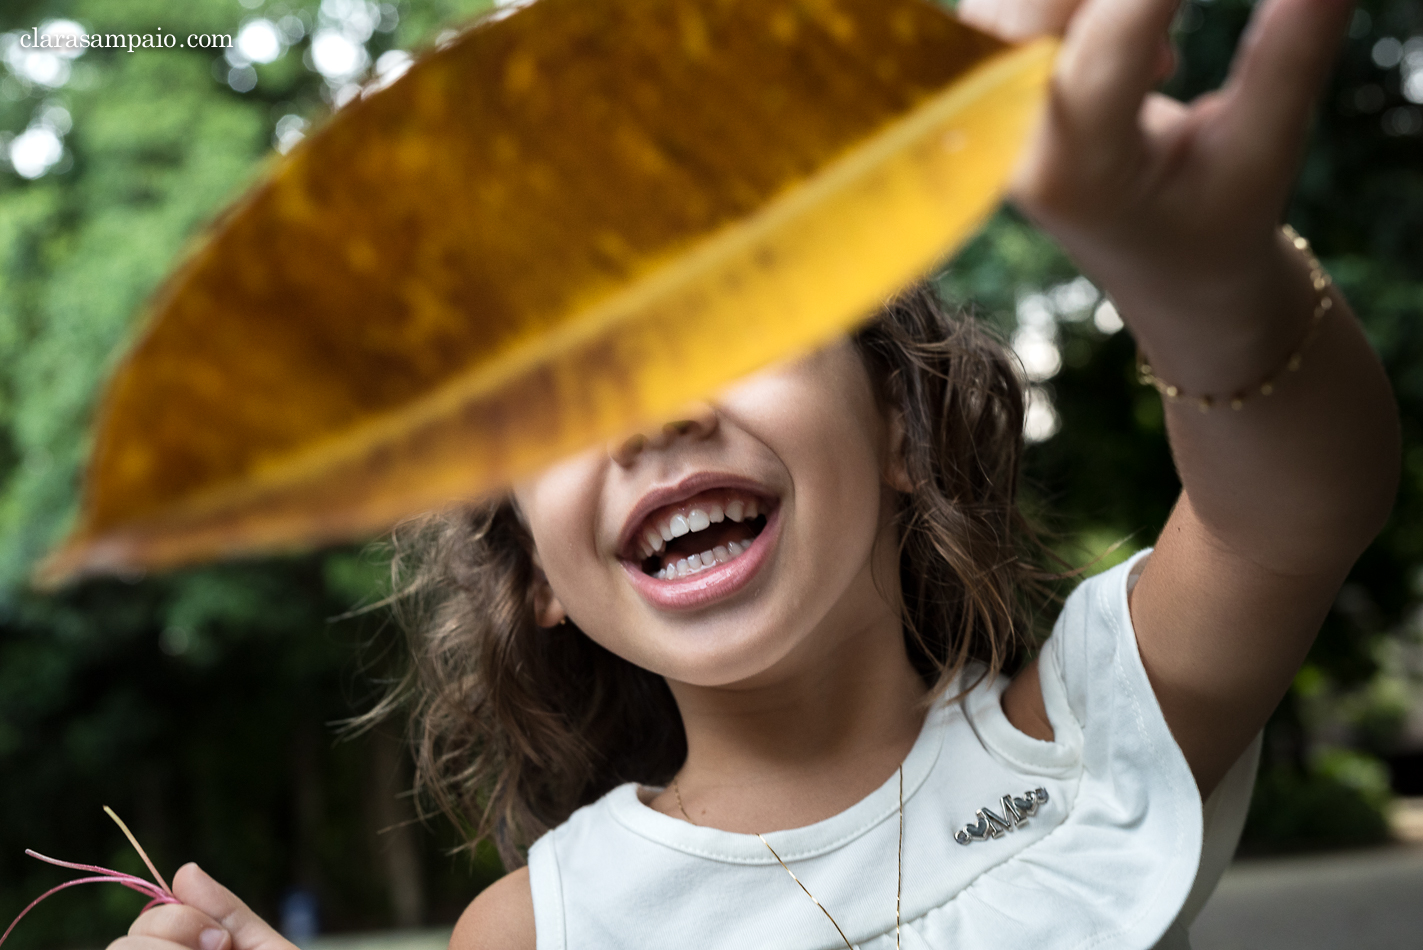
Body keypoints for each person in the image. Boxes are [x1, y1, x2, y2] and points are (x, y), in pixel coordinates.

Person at [109, 0, 1400, 946]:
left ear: (899, 426)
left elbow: (1286, 508)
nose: (654, 413)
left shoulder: (1093, 738)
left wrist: (1209, 283)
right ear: (536, 573)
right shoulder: (536, 927)